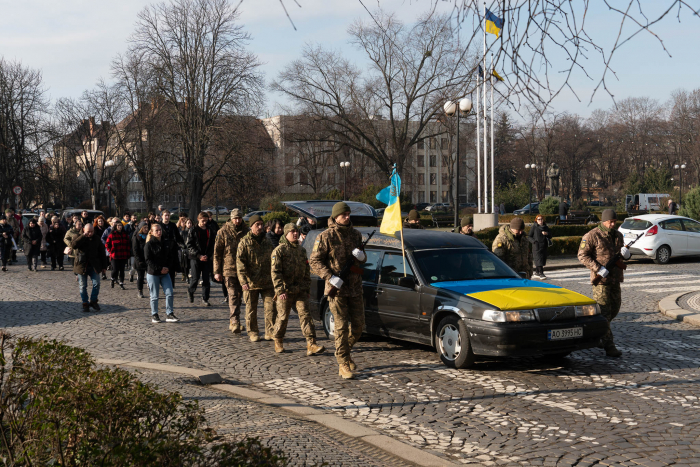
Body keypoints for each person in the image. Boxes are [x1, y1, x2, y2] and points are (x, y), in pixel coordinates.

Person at [309, 202, 367, 380]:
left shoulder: (356, 235)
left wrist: (362, 258)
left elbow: (361, 263)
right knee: (341, 327)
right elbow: (314, 261)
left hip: (355, 287)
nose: (347, 217)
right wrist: (328, 276)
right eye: (344, 215)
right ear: (335, 217)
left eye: (349, 214)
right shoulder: (326, 236)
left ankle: (343, 352)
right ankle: (343, 363)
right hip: (337, 289)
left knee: (358, 327)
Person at [577, 209, 629, 358]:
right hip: (601, 281)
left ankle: (599, 333)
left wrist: (627, 255)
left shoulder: (618, 235)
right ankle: (609, 345)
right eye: (610, 222)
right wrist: (598, 269)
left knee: (615, 309)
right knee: (605, 313)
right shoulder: (593, 235)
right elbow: (582, 255)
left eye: (614, 222)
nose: (612, 224)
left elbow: (621, 256)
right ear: (603, 221)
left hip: (615, 278)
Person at [271, 223, 326, 355]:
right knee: (283, 317)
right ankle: (278, 339)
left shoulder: (302, 251)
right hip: (285, 290)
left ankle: (311, 343)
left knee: (306, 316)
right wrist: (280, 290)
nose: (295, 234)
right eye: (292, 232)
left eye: (296, 231)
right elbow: (275, 272)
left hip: (300, 290)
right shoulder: (279, 251)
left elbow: (307, 271)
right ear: (286, 234)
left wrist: (306, 289)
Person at [237, 214, 275, 342]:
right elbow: (240, 263)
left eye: (261, 224)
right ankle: (253, 332)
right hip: (251, 281)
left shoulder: (267, 241)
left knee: (270, 308)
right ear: (251, 226)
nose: (260, 227)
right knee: (251, 309)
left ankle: (270, 331)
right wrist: (243, 281)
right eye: (257, 225)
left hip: (267, 281)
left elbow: (273, 260)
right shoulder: (245, 242)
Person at [213, 209, 249, 333]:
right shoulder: (223, 232)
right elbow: (217, 253)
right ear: (231, 218)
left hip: (243, 270)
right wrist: (217, 271)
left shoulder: (246, 231)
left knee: (239, 297)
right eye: (235, 218)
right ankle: (234, 322)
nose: (237, 221)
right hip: (228, 269)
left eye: (239, 218)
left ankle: (236, 320)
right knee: (233, 295)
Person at [144, 223, 179, 323]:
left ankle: (169, 313)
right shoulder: (149, 245)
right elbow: (148, 260)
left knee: (170, 292)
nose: (159, 232)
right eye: (157, 230)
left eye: (160, 230)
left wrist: (167, 267)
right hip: (153, 273)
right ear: (151, 232)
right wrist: (159, 269)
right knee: (154, 295)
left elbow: (170, 257)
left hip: (165, 272)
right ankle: (154, 314)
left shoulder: (166, 242)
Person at [71, 224, 108, 312]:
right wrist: (83, 236)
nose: (90, 233)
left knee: (96, 283)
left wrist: (104, 266)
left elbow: (102, 252)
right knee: (83, 286)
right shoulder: (77, 236)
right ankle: (85, 303)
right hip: (81, 265)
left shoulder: (96, 238)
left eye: (92, 231)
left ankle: (93, 301)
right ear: (84, 229)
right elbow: (74, 245)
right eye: (88, 231)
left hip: (94, 265)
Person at [186, 212, 216, 306]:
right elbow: (189, 245)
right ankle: (191, 291)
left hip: (206, 257)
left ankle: (205, 298)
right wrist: (199, 256)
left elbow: (212, 244)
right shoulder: (193, 230)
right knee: (195, 278)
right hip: (195, 257)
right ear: (198, 219)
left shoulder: (210, 230)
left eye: (206, 221)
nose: (204, 222)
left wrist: (208, 255)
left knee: (206, 279)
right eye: (203, 220)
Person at [159, 209, 185, 286]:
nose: (167, 217)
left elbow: (178, 237)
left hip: (172, 249)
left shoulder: (173, 225)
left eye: (168, 215)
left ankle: (171, 285)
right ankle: (163, 284)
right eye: (165, 215)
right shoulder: (159, 225)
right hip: (162, 250)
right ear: (162, 216)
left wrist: (182, 245)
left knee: (172, 268)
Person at [105, 221, 131, 289]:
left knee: (122, 270)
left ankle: (121, 282)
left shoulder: (125, 235)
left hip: (123, 255)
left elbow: (128, 245)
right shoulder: (112, 235)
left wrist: (128, 253)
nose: (120, 227)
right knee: (115, 269)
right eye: (118, 225)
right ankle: (112, 279)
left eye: (121, 225)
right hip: (115, 255)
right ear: (116, 226)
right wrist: (111, 251)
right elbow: (107, 244)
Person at [528, 214, 551, 280]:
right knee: (538, 259)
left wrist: (546, 233)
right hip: (536, 246)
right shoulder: (534, 227)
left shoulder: (546, 227)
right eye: (539, 219)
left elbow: (550, 235)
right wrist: (534, 241)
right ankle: (541, 273)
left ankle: (537, 272)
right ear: (536, 220)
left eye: (541, 219)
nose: (540, 220)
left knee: (542, 259)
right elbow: (529, 236)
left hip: (544, 246)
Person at [131, 224, 149, 298]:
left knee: (150, 277)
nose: (146, 229)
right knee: (140, 277)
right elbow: (135, 250)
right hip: (140, 260)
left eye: (147, 227)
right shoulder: (137, 237)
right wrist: (139, 260)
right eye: (144, 227)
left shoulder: (149, 236)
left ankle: (152, 290)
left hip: (148, 260)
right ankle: (140, 291)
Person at [179, 218, 193, 282]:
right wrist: (183, 246)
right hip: (185, 250)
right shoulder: (182, 232)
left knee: (192, 264)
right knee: (186, 265)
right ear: (185, 224)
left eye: (190, 223)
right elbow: (179, 241)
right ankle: (186, 276)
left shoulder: (194, 232)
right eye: (188, 223)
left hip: (192, 250)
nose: (189, 224)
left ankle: (192, 275)